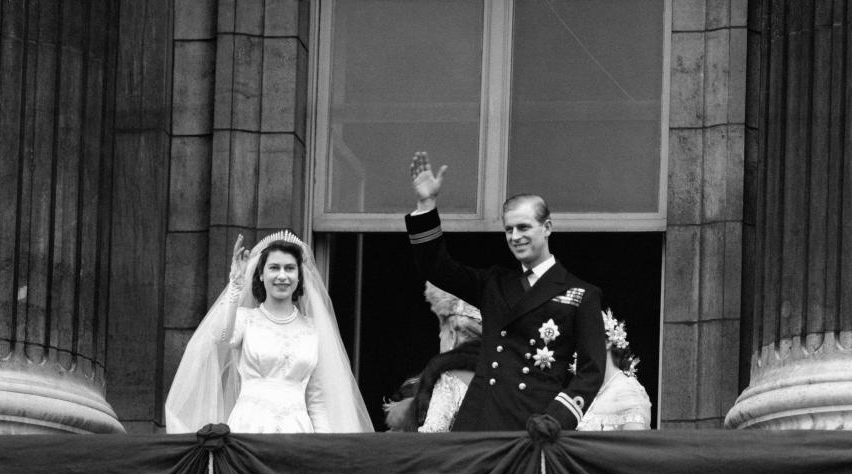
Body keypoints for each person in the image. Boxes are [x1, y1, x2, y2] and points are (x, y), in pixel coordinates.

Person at [404, 151, 606, 431]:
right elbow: (437, 269)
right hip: (478, 422)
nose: (515, 237)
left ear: (547, 227)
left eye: (524, 227)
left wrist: (555, 419)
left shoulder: (580, 294)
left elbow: (591, 372)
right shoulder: (494, 283)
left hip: (533, 427)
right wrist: (426, 204)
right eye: (508, 229)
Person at [165, 231, 373, 433]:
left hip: (297, 431)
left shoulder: (313, 329)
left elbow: (317, 398)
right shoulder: (246, 319)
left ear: (299, 277)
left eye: (290, 268)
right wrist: (235, 285)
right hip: (249, 427)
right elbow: (221, 336)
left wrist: (320, 446)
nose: (282, 276)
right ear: (261, 275)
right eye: (274, 268)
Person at [383, 283, 482, 432]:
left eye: (442, 330)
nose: (439, 336)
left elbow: (431, 437)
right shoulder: (501, 374)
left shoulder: (449, 379)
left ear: (452, 335)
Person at [577, 308, 652, 431]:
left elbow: (635, 446)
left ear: (607, 342)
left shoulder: (627, 391)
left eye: (587, 340)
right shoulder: (586, 390)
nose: (581, 348)